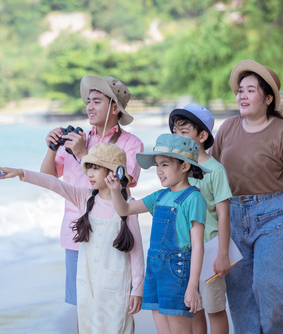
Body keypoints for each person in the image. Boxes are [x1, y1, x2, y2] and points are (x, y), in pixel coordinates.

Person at [0, 142, 145, 333]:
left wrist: (137, 289)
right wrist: (21, 172)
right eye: (88, 167)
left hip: (116, 285)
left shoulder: (129, 207)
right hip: (86, 282)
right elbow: (55, 183)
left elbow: (137, 253)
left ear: (115, 172)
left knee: (116, 328)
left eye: (96, 168)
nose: (89, 173)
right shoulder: (86, 198)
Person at [210, 59, 283, 333]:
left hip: (276, 215)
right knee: (241, 293)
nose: (242, 95)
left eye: (250, 90)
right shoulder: (228, 127)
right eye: (240, 90)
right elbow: (212, 172)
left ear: (268, 98)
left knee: (276, 287)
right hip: (232, 216)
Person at [40, 75, 143, 309]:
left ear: (114, 107)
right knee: (82, 310)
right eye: (88, 101)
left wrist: (83, 153)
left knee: (111, 306)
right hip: (76, 234)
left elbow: (119, 182)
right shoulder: (77, 139)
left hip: (111, 236)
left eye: (97, 101)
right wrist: (51, 148)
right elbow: (48, 178)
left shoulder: (131, 143)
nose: (89, 106)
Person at [106, 134, 210, 334]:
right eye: (157, 166)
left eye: (165, 165)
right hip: (155, 271)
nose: (159, 171)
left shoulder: (193, 198)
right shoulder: (159, 196)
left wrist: (192, 286)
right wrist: (114, 190)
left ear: (185, 166)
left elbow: (198, 245)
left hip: (177, 273)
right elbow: (124, 210)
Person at [169, 103, 232, 334]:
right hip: (185, 252)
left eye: (184, 133)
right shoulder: (179, 169)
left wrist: (223, 253)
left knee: (214, 309)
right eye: (175, 133)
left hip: (210, 248)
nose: (178, 138)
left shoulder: (216, 171)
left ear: (203, 135)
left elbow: (224, 214)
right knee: (193, 307)